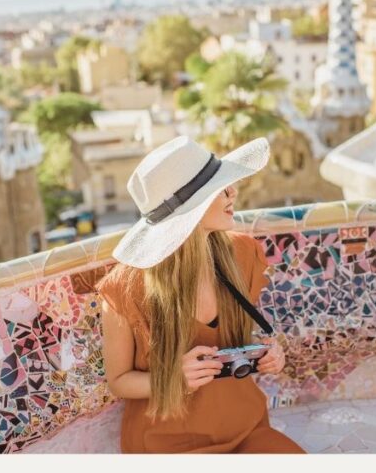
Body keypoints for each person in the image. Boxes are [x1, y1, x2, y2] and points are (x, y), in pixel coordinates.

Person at [97, 136, 306, 453]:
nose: (232, 191)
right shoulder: (124, 287)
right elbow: (119, 380)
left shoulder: (242, 253)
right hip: (166, 445)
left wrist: (268, 355)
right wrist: (172, 379)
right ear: (189, 211)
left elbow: (236, 342)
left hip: (248, 428)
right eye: (218, 188)